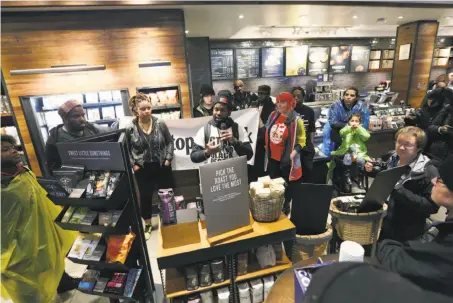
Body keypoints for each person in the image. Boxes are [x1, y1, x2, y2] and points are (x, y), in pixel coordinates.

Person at [1, 135, 77, 302]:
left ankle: (61, 282)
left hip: (41, 231)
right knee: (27, 284)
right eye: (4, 150)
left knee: (50, 261)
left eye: (13, 147)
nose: (13, 151)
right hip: (17, 244)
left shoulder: (23, 172)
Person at [376, 156, 453, 297]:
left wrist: (380, 243)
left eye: (441, 180)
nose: (434, 180)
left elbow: (398, 261)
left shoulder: (427, 170)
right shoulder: (392, 159)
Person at [365, 126, 439, 242]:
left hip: (407, 230)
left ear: (418, 148)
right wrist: (371, 169)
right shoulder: (391, 157)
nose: (401, 147)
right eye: (399, 142)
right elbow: (382, 173)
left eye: (408, 144)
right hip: (383, 220)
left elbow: (432, 207)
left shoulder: (428, 171)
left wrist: (398, 189)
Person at [126, 93, 175, 240]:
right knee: (146, 198)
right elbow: (126, 149)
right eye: (143, 109)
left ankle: (168, 222)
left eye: (149, 108)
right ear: (136, 110)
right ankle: (147, 225)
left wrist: (168, 159)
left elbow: (169, 142)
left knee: (167, 195)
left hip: (161, 165)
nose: (147, 111)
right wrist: (133, 164)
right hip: (143, 168)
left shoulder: (160, 123)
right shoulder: (130, 128)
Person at [265, 92, 306, 215]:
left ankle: (286, 204)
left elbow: (302, 140)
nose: (279, 105)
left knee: (286, 184)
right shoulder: (273, 115)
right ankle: (274, 204)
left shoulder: (296, 120)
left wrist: (291, 155)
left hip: (287, 160)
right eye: (278, 102)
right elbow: (267, 129)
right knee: (273, 182)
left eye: (282, 102)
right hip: (272, 157)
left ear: (290, 103)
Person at [45, 99, 107, 173]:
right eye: (76, 116)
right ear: (64, 119)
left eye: (83, 115)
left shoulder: (91, 128)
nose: (82, 119)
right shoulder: (54, 140)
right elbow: (53, 169)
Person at [191, 94, 253, 163]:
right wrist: (207, 152)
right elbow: (194, 156)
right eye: (216, 109)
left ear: (229, 112)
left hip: (233, 172)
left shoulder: (238, 129)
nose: (218, 113)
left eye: (223, 110)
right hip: (214, 172)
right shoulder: (205, 130)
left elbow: (249, 155)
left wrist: (235, 142)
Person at [322, 87, 370, 156]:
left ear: (356, 97)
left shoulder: (360, 106)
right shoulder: (336, 106)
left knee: (355, 155)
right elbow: (333, 122)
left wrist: (359, 128)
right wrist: (349, 126)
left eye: (352, 95)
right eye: (346, 95)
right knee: (339, 155)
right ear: (343, 96)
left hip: (356, 134)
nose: (348, 97)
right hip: (338, 132)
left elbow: (365, 120)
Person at [330, 113, 371, 191]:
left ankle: (360, 179)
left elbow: (367, 137)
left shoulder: (361, 129)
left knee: (361, 161)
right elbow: (341, 133)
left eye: (356, 121)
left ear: (359, 123)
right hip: (346, 150)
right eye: (352, 121)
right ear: (349, 122)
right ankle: (347, 176)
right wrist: (349, 128)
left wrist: (358, 129)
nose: (354, 123)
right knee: (347, 158)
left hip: (359, 151)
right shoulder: (346, 129)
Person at [293, 86, 316, 182]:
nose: (296, 98)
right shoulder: (288, 111)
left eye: (298, 96)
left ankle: (308, 191)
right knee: (296, 174)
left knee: (308, 171)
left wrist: (312, 144)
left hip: (306, 147)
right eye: (294, 96)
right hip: (293, 147)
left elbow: (311, 128)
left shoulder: (309, 111)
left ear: (303, 97)